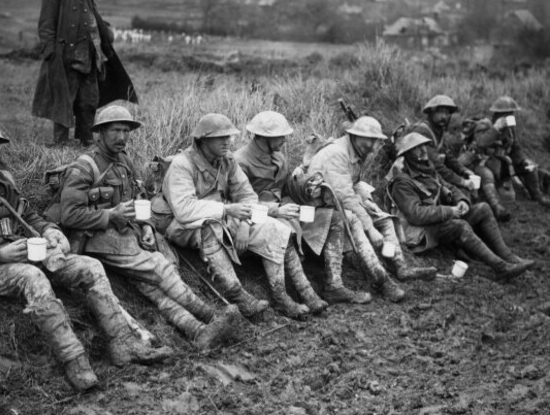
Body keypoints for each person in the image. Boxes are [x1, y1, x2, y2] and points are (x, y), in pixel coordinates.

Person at [0, 116, 171, 393]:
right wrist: (0, 253)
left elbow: (27, 213)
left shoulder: (2, 180)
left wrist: (48, 230)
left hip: (22, 252)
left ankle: (124, 344)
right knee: (33, 278)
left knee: (91, 267)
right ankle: (76, 363)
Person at [59, 105, 242, 349]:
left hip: (128, 232)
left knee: (156, 280)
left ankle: (197, 330)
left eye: (126, 131)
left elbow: (140, 197)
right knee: (157, 267)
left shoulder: (124, 162)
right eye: (115, 130)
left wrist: (146, 226)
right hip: (96, 236)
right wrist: (110, 215)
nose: (122, 137)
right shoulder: (84, 167)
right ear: (99, 134)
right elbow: (69, 215)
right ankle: (212, 317)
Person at [162, 113, 328, 319]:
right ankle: (239, 296)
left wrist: (243, 223)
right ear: (203, 140)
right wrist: (228, 210)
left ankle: (285, 295)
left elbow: (248, 196)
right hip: (188, 225)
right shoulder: (182, 164)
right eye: (221, 138)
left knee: (278, 228)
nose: (228, 142)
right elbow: (184, 209)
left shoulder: (227, 161)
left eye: (229, 136)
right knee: (211, 229)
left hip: (227, 216)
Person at [233, 111, 371, 305]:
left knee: (336, 219)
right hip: (258, 217)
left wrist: (306, 186)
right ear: (264, 137)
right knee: (285, 231)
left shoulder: (278, 156)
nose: (285, 140)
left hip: (286, 209)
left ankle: (335, 285)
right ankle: (304, 293)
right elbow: (239, 202)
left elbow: (284, 185)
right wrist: (276, 210)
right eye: (280, 136)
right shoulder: (239, 161)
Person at [307, 117, 437, 292]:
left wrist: (368, 202)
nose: (371, 145)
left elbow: (351, 184)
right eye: (367, 139)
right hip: (318, 207)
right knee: (358, 222)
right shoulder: (337, 153)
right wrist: (371, 229)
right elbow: (344, 196)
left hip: (336, 201)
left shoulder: (355, 151)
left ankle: (400, 267)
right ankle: (382, 281)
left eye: (373, 140)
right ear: (354, 135)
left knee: (385, 219)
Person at [388, 132, 534, 281]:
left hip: (436, 222)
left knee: (483, 208)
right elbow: (416, 215)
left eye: (423, 146)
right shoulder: (402, 183)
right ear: (408, 155)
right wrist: (449, 211)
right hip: (419, 234)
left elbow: (449, 187)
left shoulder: (426, 170)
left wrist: (461, 200)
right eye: (417, 148)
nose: (423, 150)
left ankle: (508, 257)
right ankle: (501, 268)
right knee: (460, 225)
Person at [32, 0, 137, 147]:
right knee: (63, 100)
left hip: (90, 56)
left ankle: (86, 140)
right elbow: (46, 28)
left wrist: (104, 33)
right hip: (66, 59)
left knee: (88, 101)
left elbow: (91, 18)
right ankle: (60, 142)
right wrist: (53, 57)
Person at [483, 96, 550, 208]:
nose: (511, 116)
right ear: (499, 114)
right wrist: (496, 129)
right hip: (493, 164)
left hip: (508, 163)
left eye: (511, 113)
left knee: (530, 167)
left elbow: (516, 147)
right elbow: (483, 144)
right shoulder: (488, 126)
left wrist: (523, 160)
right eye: (508, 113)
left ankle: (537, 196)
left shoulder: (510, 127)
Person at [411, 95, 475, 191]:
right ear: (431, 112)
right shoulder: (423, 131)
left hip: (432, 175)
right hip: (418, 177)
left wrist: (463, 170)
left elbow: (448, 155)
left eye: (447, 112)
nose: (444, 116)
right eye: (440, 112)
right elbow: (436, 165)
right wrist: (461, 181)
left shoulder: (438, 130)